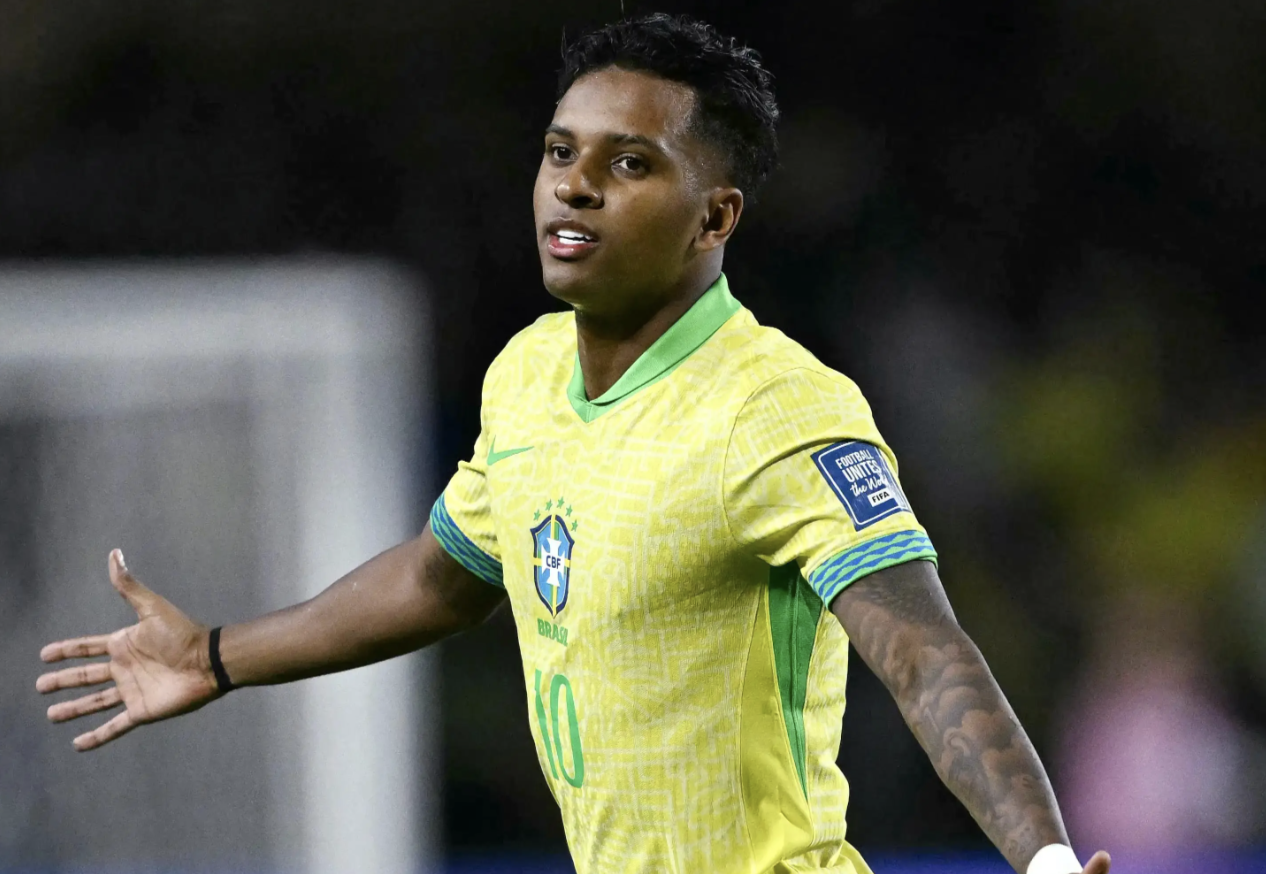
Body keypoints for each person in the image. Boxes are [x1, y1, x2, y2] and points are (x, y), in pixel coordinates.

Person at [36, 14, 1110, 874]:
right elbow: (443, 576)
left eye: (630, 162)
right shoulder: (529, 374)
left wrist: (1047, 859)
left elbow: (924, 653)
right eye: (561, 151)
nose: (575, 183)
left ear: (715, 218)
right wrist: (215, 657)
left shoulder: (777, 408)